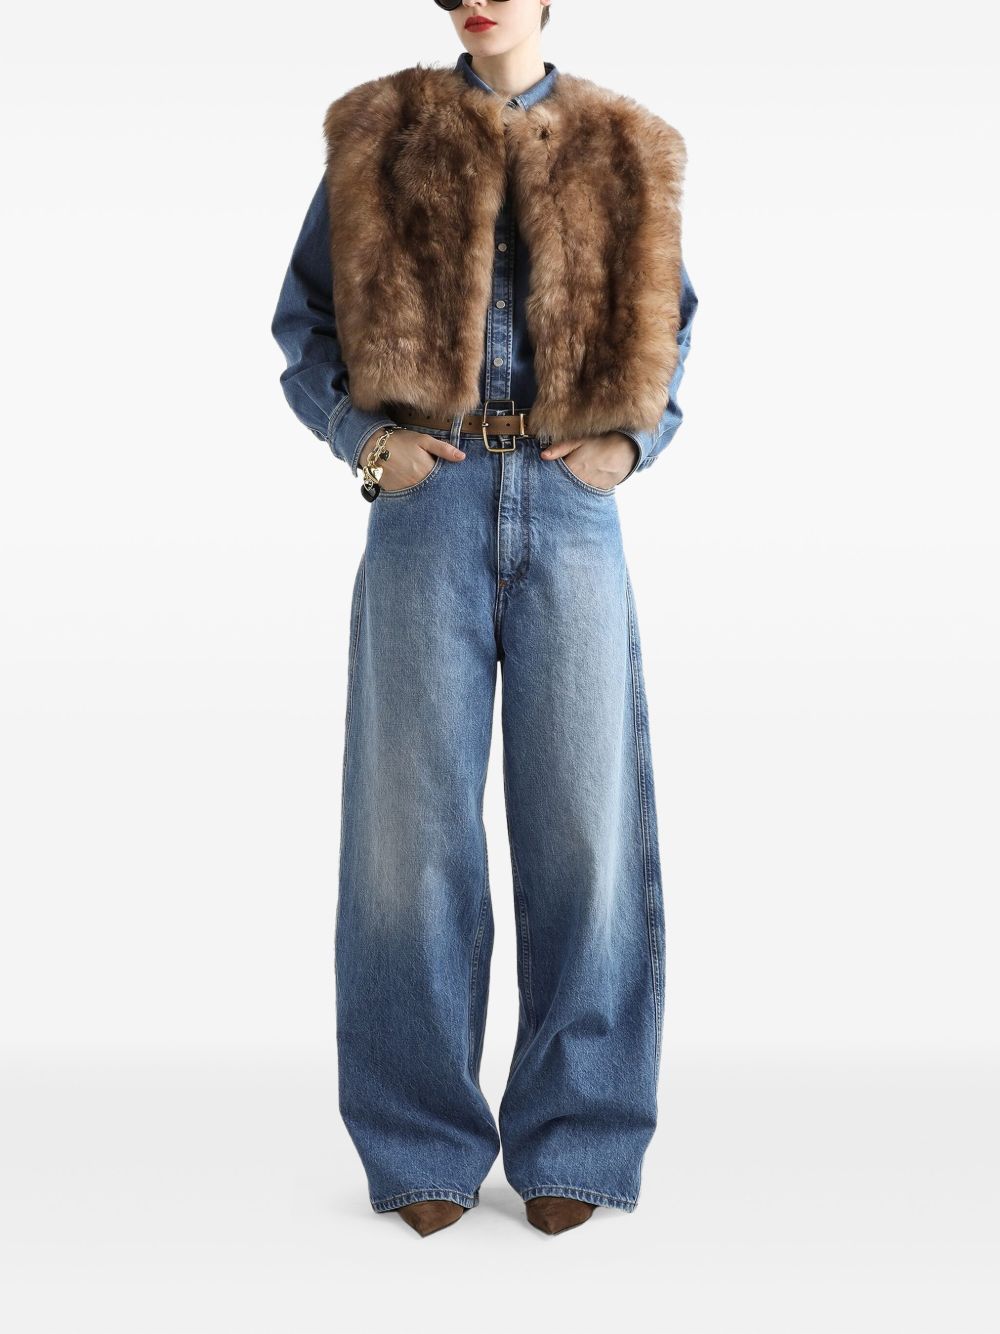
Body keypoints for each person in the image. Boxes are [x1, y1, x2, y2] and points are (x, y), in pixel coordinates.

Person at [271, 0, 698, 1238]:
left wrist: (631, 445)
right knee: (408, 838)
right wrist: (366, 442)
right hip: (429, 503)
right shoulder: (380, 132)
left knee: (586, 832)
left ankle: (580, 1132)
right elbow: (303, 322)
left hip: (570, 509)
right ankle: (419, 1139)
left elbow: (677, 324)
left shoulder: (626, 142)